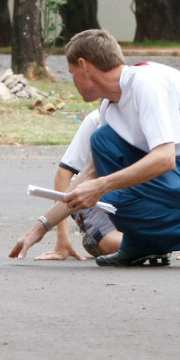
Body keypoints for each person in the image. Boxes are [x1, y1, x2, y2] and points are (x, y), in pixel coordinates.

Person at [10, 29, 180, 268]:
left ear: (84, 66)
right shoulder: (109, 109)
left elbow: (165, 159)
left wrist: (101, 186)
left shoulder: (146, 82)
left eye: (72, 74)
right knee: (104, 156)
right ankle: (143, 245)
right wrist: (40, 228)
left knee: (109, 189)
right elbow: (90, 175)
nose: (73, 83)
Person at [24, 109, 123, 261]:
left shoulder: (151, 117)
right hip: (93, 195)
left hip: (131, 193)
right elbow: (64, 174)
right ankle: (98, 236)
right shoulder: (96, 119)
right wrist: (62, 239)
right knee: (112, 244)